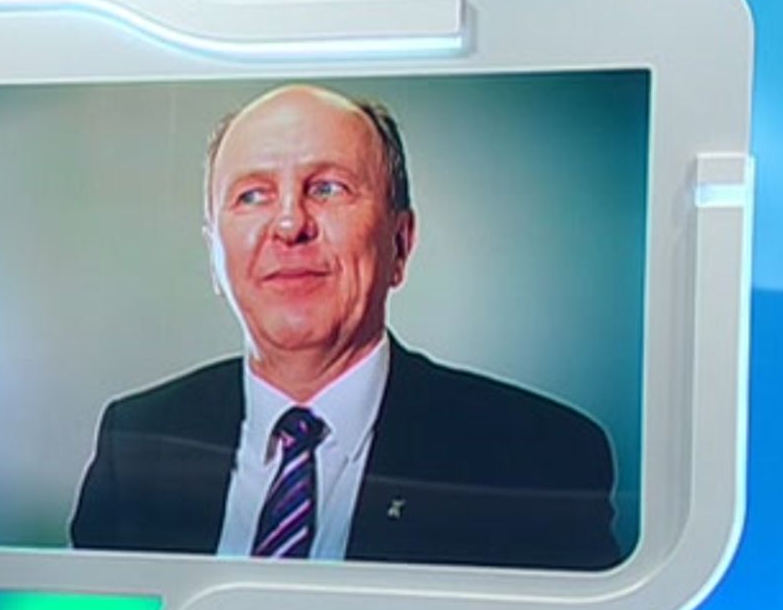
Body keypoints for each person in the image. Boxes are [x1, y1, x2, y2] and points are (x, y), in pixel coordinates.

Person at [70, 84, 622, 570]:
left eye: (328, 188)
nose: (290, 224)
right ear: (214, 254)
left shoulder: (538, 459)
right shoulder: (136, 444)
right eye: (253, 195)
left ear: (399, 244)